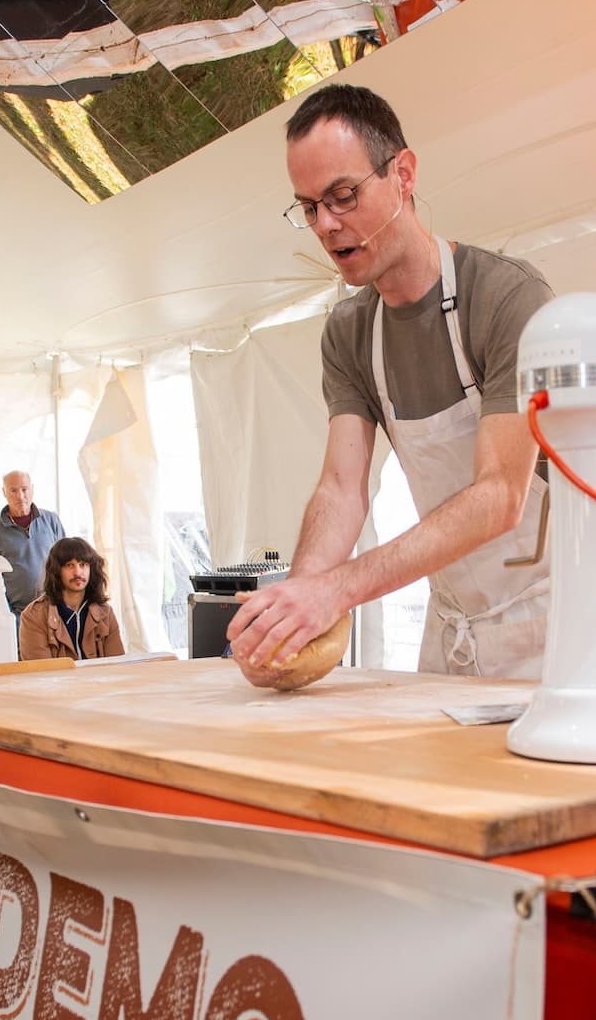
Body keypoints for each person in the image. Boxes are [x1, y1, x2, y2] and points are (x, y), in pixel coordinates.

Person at [227, 83, 555, 685]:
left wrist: (338, 590)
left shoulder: (507, 299)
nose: (326, 225)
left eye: (343, 196)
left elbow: (501, 495)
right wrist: (294, 611)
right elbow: (340, 488)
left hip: (555, 626)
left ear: (402, 173)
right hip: (455, 627)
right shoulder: (351, 331)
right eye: (308, 207)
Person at [18, 537, 126, 661]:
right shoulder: (33, 616)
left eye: (83, 565)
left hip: (100, 680)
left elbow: (117, 667)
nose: (78, 572)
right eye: (69, 565)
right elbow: (41, 674)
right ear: (56, 570)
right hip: (57, 680)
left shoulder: (105, 613)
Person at [0, 469, 65, 620]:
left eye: (24, 489)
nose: (20, 496)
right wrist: (5, 613)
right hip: (16, 616)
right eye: (13, 490)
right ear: (4, 492)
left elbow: (67, 562)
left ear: (32, 489)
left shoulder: (52, 521)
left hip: (54, 610)